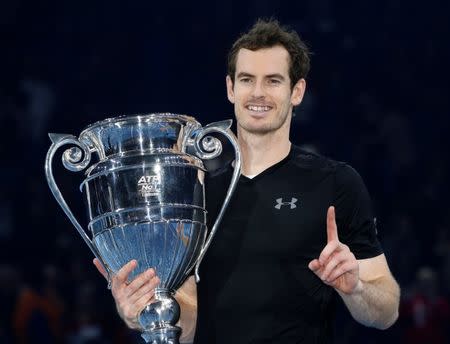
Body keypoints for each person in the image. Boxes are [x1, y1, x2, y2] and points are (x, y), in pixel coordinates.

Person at [94, 19, 400, 343]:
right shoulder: (193, 189)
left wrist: (356, 288)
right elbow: (190, 323)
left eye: (272, 81)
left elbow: (386, 311)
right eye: (247, 79)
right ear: (230, 88)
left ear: (297, 91)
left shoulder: (336, 183)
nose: (257, 93)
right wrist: (144, 312)